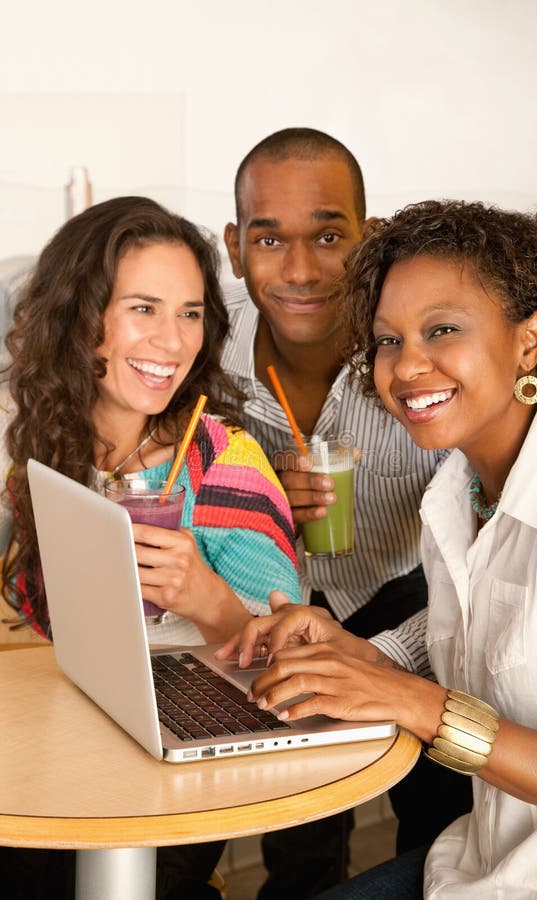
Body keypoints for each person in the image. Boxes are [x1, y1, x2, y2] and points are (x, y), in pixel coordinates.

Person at [217, 199, 537, 898]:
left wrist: (415, 702)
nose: (405, 367)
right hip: (472, 866)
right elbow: (478, 618)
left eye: (442, 330)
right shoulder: (459, 490)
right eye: (388, 340)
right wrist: (359, 652)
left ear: (529, 340)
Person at [0, 195, 301, 899]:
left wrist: (209, 601)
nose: (173, 341)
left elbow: (293, 667)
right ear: (82, 318)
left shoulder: (224, 466)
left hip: (171, 781)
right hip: (57, 742)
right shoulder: (44, 448)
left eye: (190, 313)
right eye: (143, 308)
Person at [221, 128, 472, 897]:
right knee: (296, 823)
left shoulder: (415, 356)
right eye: (270, 240)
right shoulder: (204, 355)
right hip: (265, 601)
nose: (300, 271)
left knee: (438, 822)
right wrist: (252, 499)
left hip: (404, 595)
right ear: (235, 247)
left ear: (366, 241)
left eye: (329, 236)